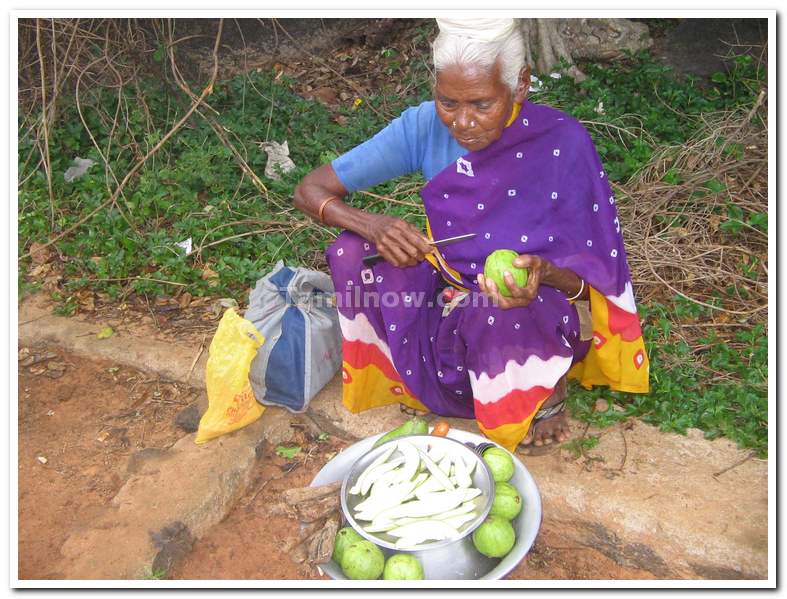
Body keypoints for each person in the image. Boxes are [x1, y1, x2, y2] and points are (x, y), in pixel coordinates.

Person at [293, 18, 649, 452]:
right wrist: (374, 225)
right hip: (451, 289)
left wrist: (546, 274)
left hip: (533, 305)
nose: (462, 122)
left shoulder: (561, 143)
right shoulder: (425, 126)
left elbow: (588, 286)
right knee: (354, 252)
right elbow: (310, 190)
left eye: (481, 104)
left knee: (500, 309)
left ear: (519, 85)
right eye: (448, 102)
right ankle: (418, 373)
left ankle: (541, 392)